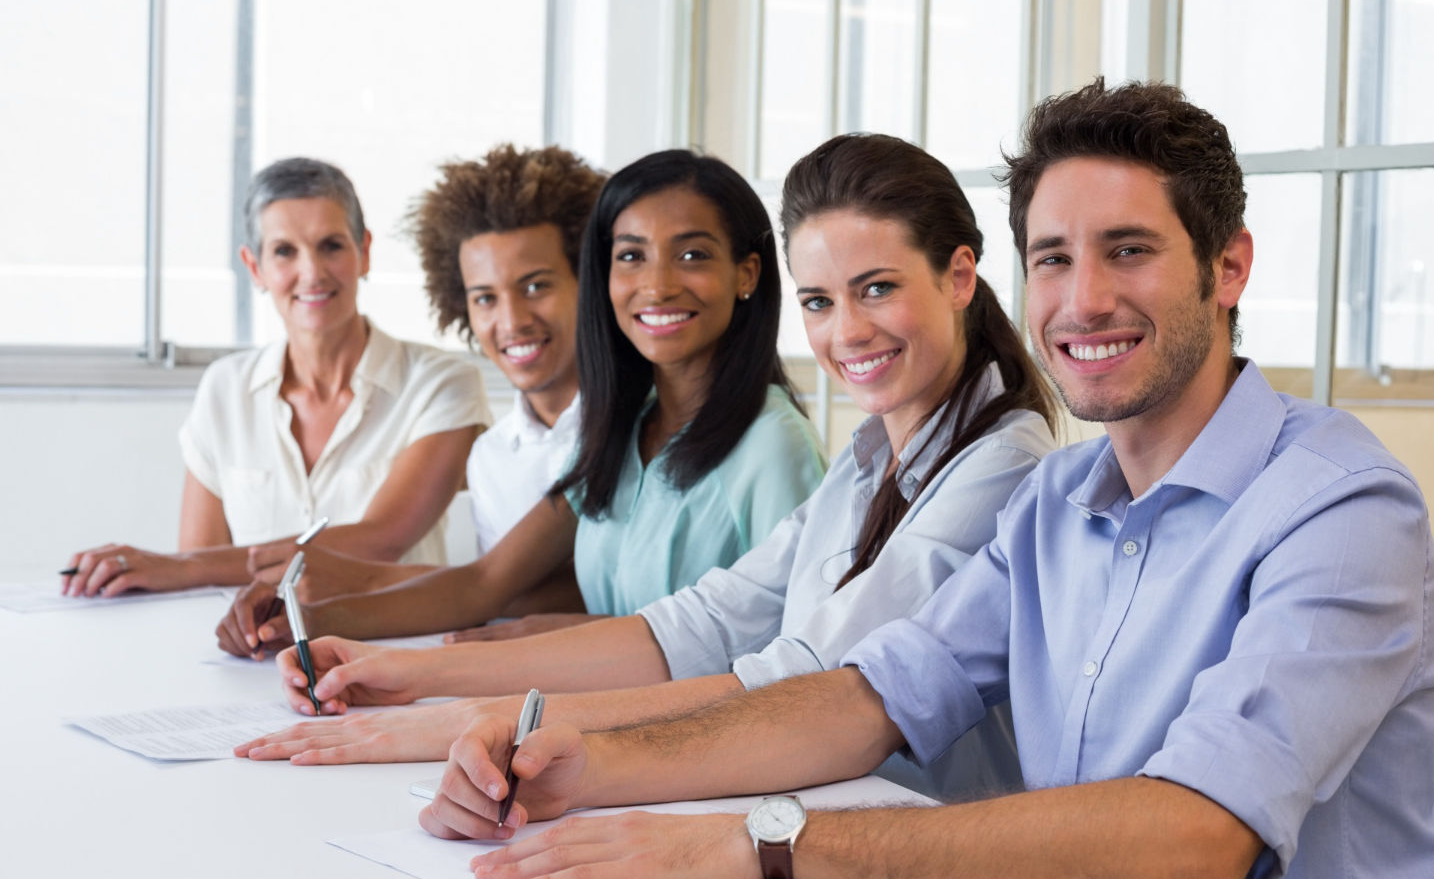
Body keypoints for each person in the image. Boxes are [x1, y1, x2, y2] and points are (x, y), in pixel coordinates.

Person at [419, 81, 1434, 879]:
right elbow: (872, 696)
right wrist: (586, 767)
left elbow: (1193, 836)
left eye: (1127, 250)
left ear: (1228, 268)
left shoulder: (1341, 504)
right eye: (1052, 258)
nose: (1082, 299)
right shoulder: (1058, 500)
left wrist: (764, 841)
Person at [238, 134, 1058, 802]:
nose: (845, 333)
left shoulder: (1002, 467)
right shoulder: (871, 454)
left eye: (877, 288)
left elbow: (804, 682)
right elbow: (697, 626)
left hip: (898, 834)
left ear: (959, 276)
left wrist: (480, 716)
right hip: (794, 801)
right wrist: (414, 675)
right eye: (818, 301)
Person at [218, 149, 826, 657]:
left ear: (747, 273)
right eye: (632, 256)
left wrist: (572, 639)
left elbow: (794, 657)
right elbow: (483, 584)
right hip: (594, 724)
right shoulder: (624, 428)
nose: (659, 283)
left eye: (692, 255)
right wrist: (301, 621)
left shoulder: (772, 444)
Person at [61, 158, 490, 619]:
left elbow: (382, 539)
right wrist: (178, 571)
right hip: (253, 660)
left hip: (399, 655)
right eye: (285, 251)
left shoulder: (442, 383)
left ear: (364, 252)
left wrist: (175, 566)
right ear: (255, 267)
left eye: (331, 246)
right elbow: (197, 583)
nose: (312, 273)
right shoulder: (225, 389)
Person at [242, 145, 607, 627]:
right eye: (485, 297)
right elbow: (496, 597)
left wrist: (348, 592)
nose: (512, 320)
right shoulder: (494, 457)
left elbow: (509, 590)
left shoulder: (629, 430)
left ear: (591, 281)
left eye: (537, 286)